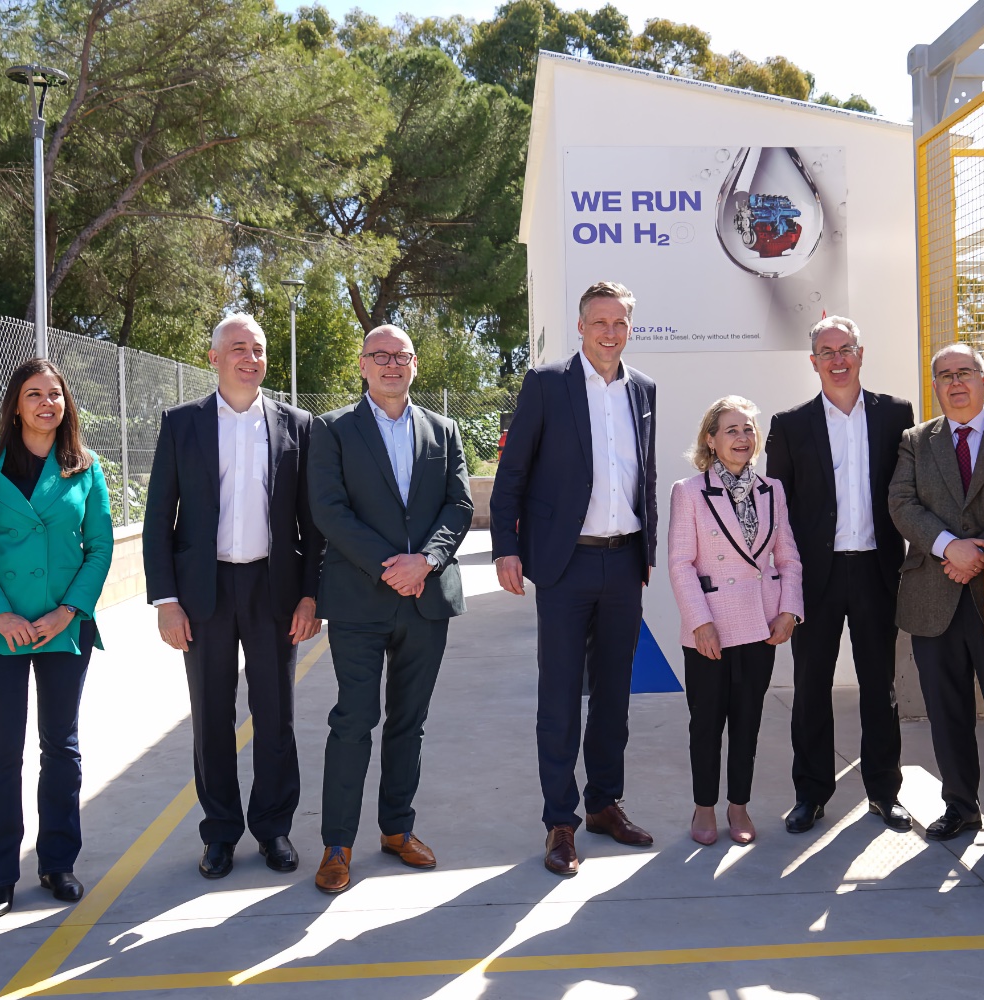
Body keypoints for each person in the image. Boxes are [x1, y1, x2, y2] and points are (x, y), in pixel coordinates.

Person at [143, 313, 325, 879]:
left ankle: (273, 829)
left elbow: (312, 524)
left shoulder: (297, 424)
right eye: (239, 348)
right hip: (205, 593)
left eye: (259, 349)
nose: (251, 357)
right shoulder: (182, 424)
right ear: (215, 358)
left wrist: (310, 597)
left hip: (275, 590)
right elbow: (157, 520)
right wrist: (166, 601)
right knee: (211, 719)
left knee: (275, 718)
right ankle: (219, 832)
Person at [491, 280, 659, 877]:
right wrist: (506, 550)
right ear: (581, 327)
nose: (610, 332)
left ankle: (604, 805)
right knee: (560, 695)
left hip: (623, 562)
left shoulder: (643, 390)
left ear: (629, 328)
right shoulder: (546, 385)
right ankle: (559, 820)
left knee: (614, 694)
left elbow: (647, 475)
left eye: (620, 322)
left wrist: (647, 553)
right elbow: (511, 474)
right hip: (565, 564)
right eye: (599, 322)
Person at [305, 325, 473, 894]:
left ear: (415, 364)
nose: (391, 365)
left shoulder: (443, 429)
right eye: (380, 357)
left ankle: (397, 830)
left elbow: (459, 503)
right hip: (360, 600)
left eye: (400, 356)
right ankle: (337, 845)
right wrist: (391, 564)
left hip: (425, 600)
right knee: (354, 721)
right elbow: (329, 511)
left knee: (409, 722)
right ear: (362, 366)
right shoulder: (331, 429)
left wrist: (424, 561)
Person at [0, 359, 113, 919]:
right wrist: (0, 616)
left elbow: (100, 547)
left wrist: (69, 612)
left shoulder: (85, 468)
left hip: (64, 629)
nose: (47, 403)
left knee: (61, 747)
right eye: (34, 394)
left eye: (55, 395)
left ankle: (57, 863)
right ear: (15, 405)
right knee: (3, 749)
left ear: (67, 405)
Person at [888, 344, 984, 854]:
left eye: (964, 373)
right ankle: (959, 805)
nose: (955, 383)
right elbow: (901, 502)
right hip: (933, 596)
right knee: (946, 710)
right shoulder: (916, 440)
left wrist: (981, 553)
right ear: (935, 386)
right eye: (944, 376)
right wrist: (947, 546)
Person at [765, 316, 914, 835]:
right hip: (814, 577)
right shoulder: (789, 424)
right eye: (826, 351)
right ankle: (810, 794)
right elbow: (778, 512)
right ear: (813, 362)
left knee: (880, 688)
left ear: (860, 352)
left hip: (876, 569)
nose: (837, 358)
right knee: (810, 687)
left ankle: (884, 793)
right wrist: (782, 581)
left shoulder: (896, 415)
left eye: (845, 348)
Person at [668, 396, 803, 846]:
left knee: (748, 720)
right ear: (711, 439)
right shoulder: (688, 491)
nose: (742, 438)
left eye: (748, 429)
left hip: (760, 625)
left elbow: (787, 557)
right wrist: (700, 621)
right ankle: (704, 806)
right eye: (731, 430)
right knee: (706, 722)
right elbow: (680, 563)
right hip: (710, 626)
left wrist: (789, 609)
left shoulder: (773, 490)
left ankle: (738, 805)